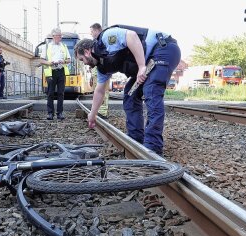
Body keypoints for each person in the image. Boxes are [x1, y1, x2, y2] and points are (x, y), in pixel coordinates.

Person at [74, 25, 181, 156]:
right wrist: (93, 114)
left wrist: (141, 67)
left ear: (86, 52)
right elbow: (100, 91)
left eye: (82, 59)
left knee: (151, 90)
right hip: (148, 61)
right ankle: (135, 140)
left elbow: (132, 36)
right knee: (130, 95)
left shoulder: (107, 38)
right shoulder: (102, 67)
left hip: (163, 48)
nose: (84, 63)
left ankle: (153, 147)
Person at [39, 28, 71, 120]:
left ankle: (60, 113)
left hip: (61, 71)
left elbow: (69, 60)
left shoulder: (64, 46)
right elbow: (41, 60)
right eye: (59, 36)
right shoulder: (47, 46)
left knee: (61, 93)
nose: (60, 38)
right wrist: (49, 63)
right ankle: (50, 113)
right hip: (51, 72)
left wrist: (63, 61)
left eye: (61, 36)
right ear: (53, 36)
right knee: (50, 93)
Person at [89, 23, 109, 119]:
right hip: (97, 72)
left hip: (102, 72)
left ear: (97, 30)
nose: (91, 34)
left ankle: (102, 112)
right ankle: (99, 110)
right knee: (98, 91)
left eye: (92, 31)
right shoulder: (96, 42)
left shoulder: (102, 41)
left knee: (102, 91)